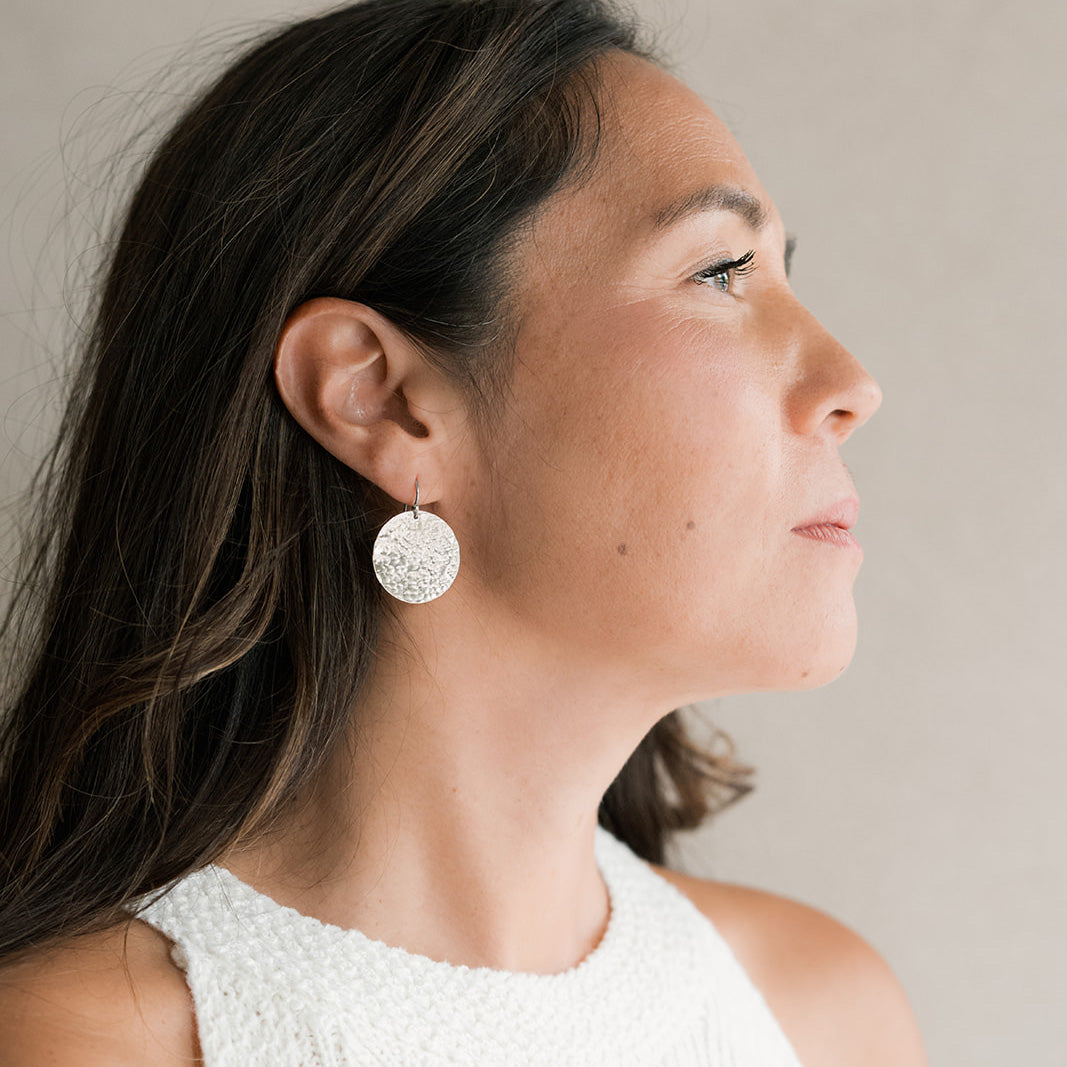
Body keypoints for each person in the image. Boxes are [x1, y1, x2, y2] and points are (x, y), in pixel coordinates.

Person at [0, 0, 929, 1063]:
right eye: (721, 271)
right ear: (381, 399)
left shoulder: (825, 1017)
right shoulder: (75, 1039)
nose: (851, 384)